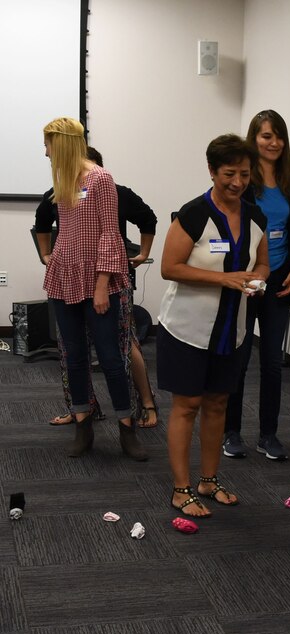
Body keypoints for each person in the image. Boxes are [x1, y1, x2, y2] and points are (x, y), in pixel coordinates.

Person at [158, 134, 269, 517]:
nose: (237, 182)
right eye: (228, 174)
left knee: (218, 404)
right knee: (187, 405)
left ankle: (208, 480)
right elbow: (169, 268)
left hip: (231, 330)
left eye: (244, 173)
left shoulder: (256, 216)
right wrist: (225, 279)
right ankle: (180, 489)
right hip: (186, 328)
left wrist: (257, 280)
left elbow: (262, 264)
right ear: (211, 171)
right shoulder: (192, 214)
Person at [40, 117, 147, 460]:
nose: (45, 153)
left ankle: (126, 428)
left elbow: (109, 234)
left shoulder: (101, 178)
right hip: (64, 277)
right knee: (73, 355)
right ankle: (83, 424)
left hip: (98, 281)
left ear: (66, 143)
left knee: (112, 358)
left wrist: (102, 284)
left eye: (49, 145)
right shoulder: (63, 178)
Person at [222, 110, 290, 461]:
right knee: (238, 358)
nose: (274, 143)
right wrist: (246, 273)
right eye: (266, 136)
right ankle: (231, 432)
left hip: (280, 281)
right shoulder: (243, 182)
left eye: (279, 136)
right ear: (254, 137)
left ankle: (268, 435)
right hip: (247, 278)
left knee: (272, 361)